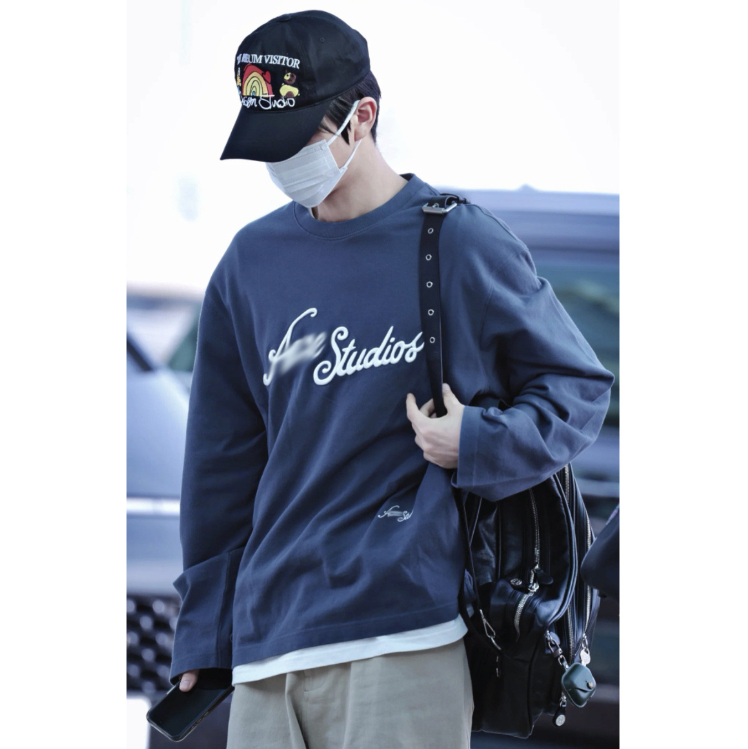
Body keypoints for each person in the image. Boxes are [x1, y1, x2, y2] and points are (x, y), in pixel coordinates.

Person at [167, 9, 615, 749]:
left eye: (298, 140)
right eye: (268, 146)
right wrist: (205, 633)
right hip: (269, 646)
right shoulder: (249, 264)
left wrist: (477, 440)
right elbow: (221, 465)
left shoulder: (459, 241)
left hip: (403, 638)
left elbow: (579, 388)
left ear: (362, 118)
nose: (284, 164)